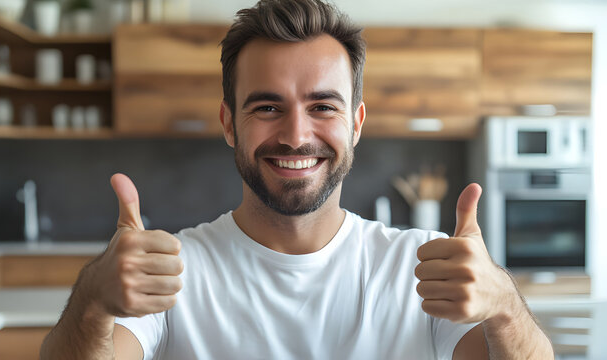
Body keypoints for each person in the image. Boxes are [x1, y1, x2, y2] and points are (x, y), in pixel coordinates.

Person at [40, 0, 554, 359]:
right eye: (267, 106)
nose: (295, 135)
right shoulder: (171, 270)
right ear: (227, 123)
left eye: (322, 106)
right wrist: (91, 302)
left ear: (355, 123)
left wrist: (505, 307)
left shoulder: (422, 267)